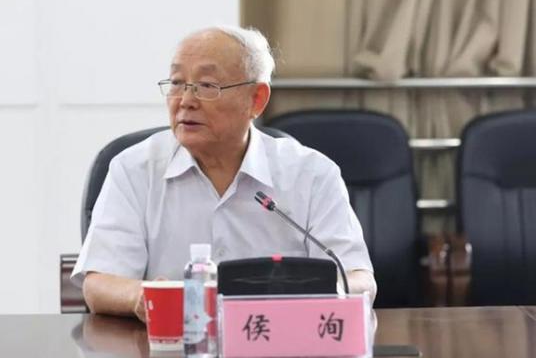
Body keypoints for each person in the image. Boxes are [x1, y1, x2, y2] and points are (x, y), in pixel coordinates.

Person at [71, 26, 376, 321]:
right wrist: (142, 296)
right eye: (177, 83)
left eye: (207, 86)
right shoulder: (134, 169)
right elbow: (99, 284)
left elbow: (357, 278)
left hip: (280, 341)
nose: (185, 101)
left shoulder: (312, 174)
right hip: (169, 343)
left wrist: (317, 297)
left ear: (256, 99)